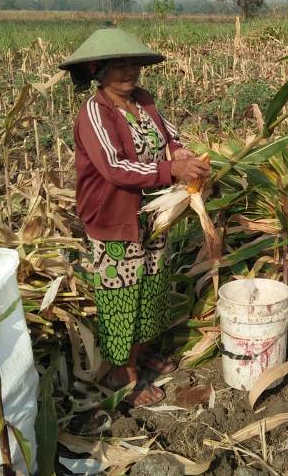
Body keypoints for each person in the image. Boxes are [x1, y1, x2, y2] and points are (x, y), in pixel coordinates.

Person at [60, 26, 210, 405]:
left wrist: (182, 154)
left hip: (153, 215)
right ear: (98, 70)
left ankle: (140, 352)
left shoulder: (143, 101)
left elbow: (170, 137)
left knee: (151, 288)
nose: (130, 73)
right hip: (114, 218)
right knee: (121, 296)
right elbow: (114, 168)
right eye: (120, 66)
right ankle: (120, 373)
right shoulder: (95, 113)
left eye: (134, 65)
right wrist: (170, 171)